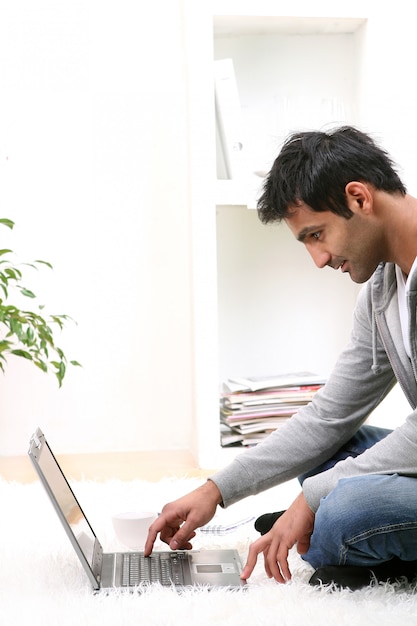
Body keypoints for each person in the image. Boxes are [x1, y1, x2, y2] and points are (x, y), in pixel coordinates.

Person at [145, 126, 417, 590]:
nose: (319, 258)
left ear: (358, 199)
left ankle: (345, 536)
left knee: (346, 510)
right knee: (328, 458)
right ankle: (347, 532)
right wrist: (217, 490)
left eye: (317, 234)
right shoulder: (381, 288)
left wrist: (311, 501)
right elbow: (329, 415)